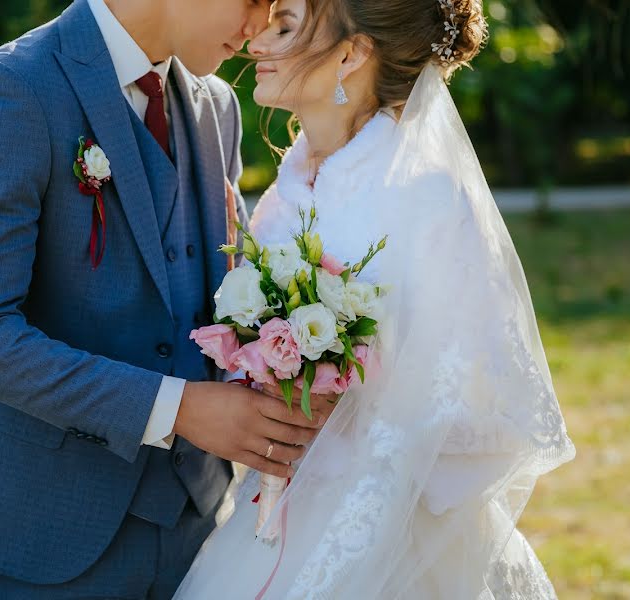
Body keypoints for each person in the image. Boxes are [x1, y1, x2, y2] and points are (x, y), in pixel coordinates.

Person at [0, 0, 334, 597]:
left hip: (198, 530)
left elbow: (223, 293)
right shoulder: (12, 88)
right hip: (44, 536)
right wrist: (179, 409)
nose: (258, 30)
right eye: (254, 1)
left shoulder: (217, 106)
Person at [174, 0, 576, 597]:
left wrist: (350, 418)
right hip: (271, 515)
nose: (256, 40)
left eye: (285, 26)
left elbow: (490, 415)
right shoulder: (286, 196)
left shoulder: (427, 199)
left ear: (352, 53)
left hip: (397, 543)